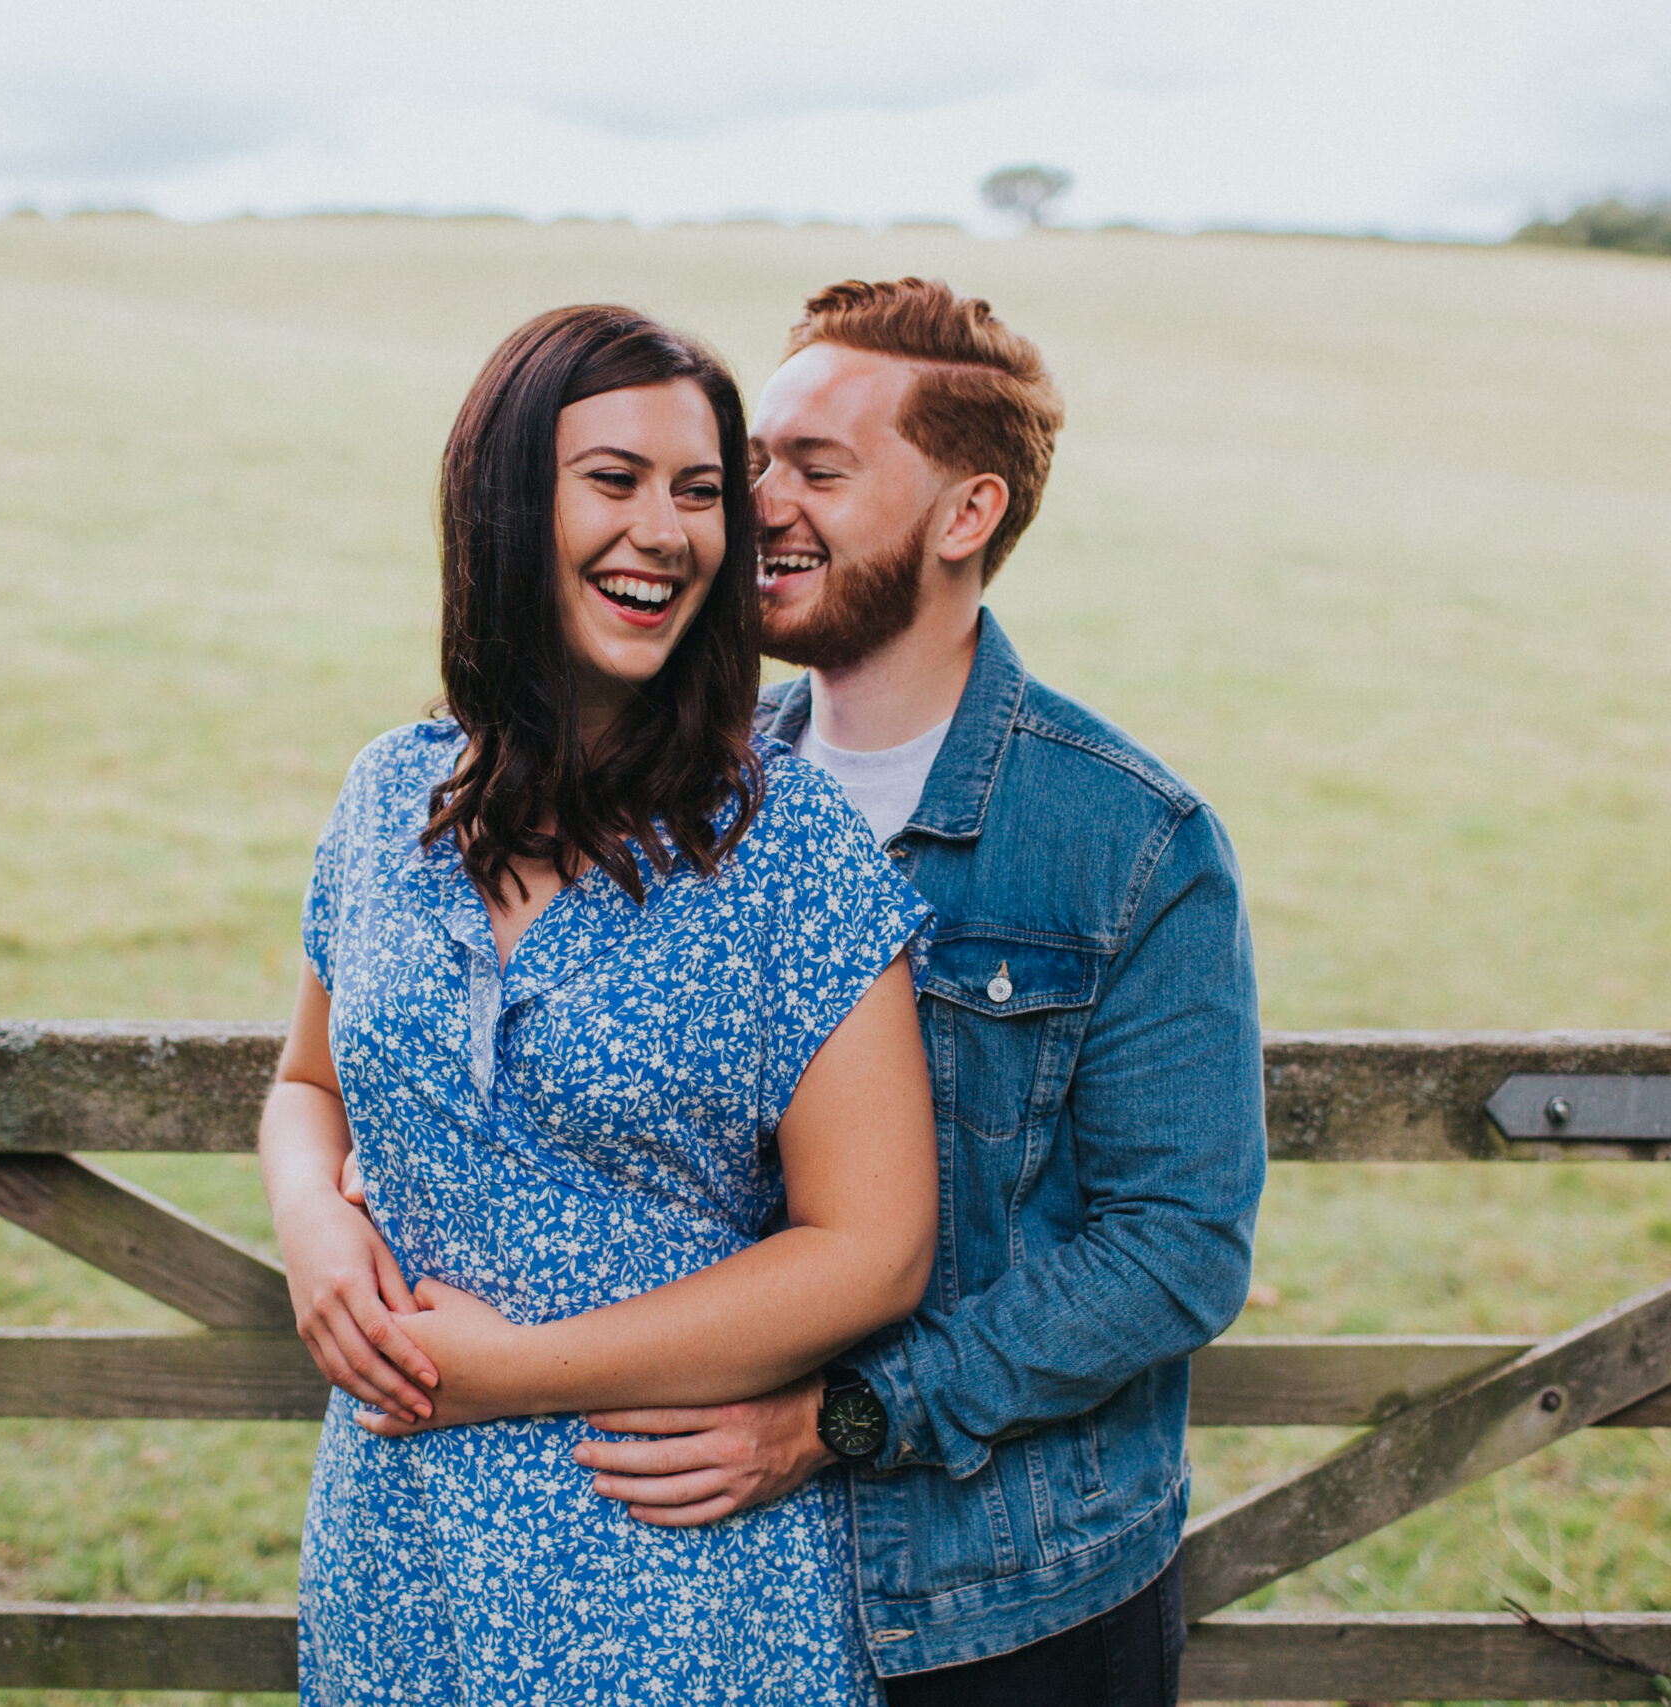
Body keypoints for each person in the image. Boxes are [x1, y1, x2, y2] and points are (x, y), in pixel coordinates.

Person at [569, 279, 1269, 1705]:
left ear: (966, 515)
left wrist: (844, 1419)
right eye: (753, 463)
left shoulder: (1130, 841)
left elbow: (1178, 1246)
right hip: (710, 1584)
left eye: (818, 471)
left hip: (1008, 1604)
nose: (755, 506)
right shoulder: (681, 794)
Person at [260, 303, 938, 1705]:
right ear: (508, 503)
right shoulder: (389, 799)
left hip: (674, 1577)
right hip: (401, 1553)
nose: (670, 532)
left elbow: (874, 1250)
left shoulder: (792, 855)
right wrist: (318, 1230)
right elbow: (306, 1087)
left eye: (700, 493)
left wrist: (516, 1373)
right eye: (615, 481)